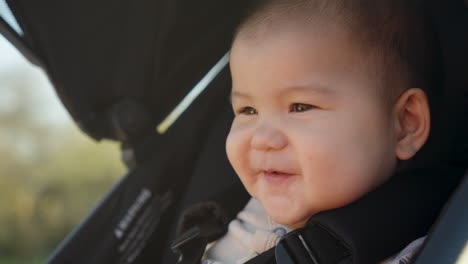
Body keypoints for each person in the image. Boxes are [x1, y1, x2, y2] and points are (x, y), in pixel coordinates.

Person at [202, 0, 442, 263]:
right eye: (248, 110)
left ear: (406, 123)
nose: (261, 139)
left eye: (301, 107)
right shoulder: (222, 216)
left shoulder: (428, 251)